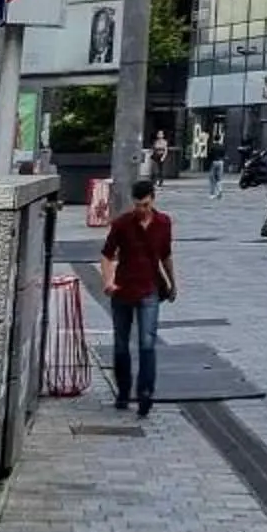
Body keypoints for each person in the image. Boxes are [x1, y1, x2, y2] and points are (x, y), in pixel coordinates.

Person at [100, 177, 175, 418]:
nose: (141, 210)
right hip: (123, 289)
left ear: (153, 199)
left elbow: (166, 255)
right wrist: (108, 281)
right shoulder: (122, 224)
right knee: (122, 343)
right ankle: (123, 390)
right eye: (137, 205)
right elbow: (107, 254)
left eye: (145, 204)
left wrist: (173, 283)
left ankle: (145, 392)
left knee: (147, 342)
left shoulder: (164, 223)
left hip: (149, 288)